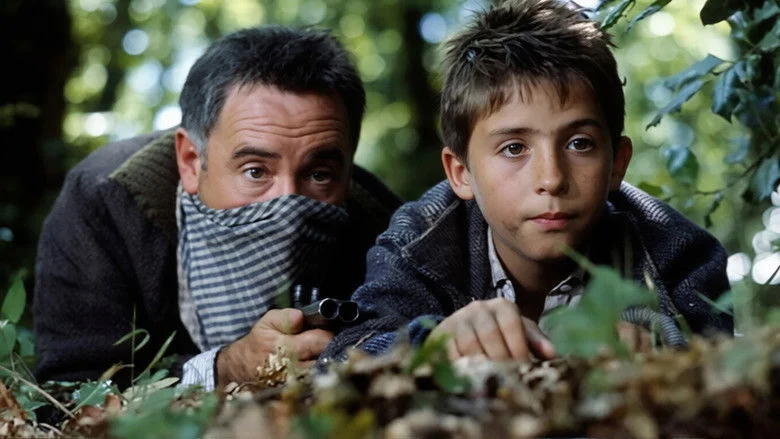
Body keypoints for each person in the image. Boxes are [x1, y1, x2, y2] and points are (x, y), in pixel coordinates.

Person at [322, 0, 733, 363]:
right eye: (514, 148)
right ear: (461, 173)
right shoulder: (419, 242)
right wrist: (433, 343)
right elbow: (347, 353)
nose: (551, 179)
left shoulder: (679, 253)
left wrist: (660, 350)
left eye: (579, 143)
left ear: (617, 164)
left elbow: (725, 372)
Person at [33, 25, 401, 390]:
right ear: (191, 162)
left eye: (319, 175)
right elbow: (70, 389)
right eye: (256, 171)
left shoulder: (380, 222)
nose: (288, 203)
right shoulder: (105, 203)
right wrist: (224, 369)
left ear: (348, 172)